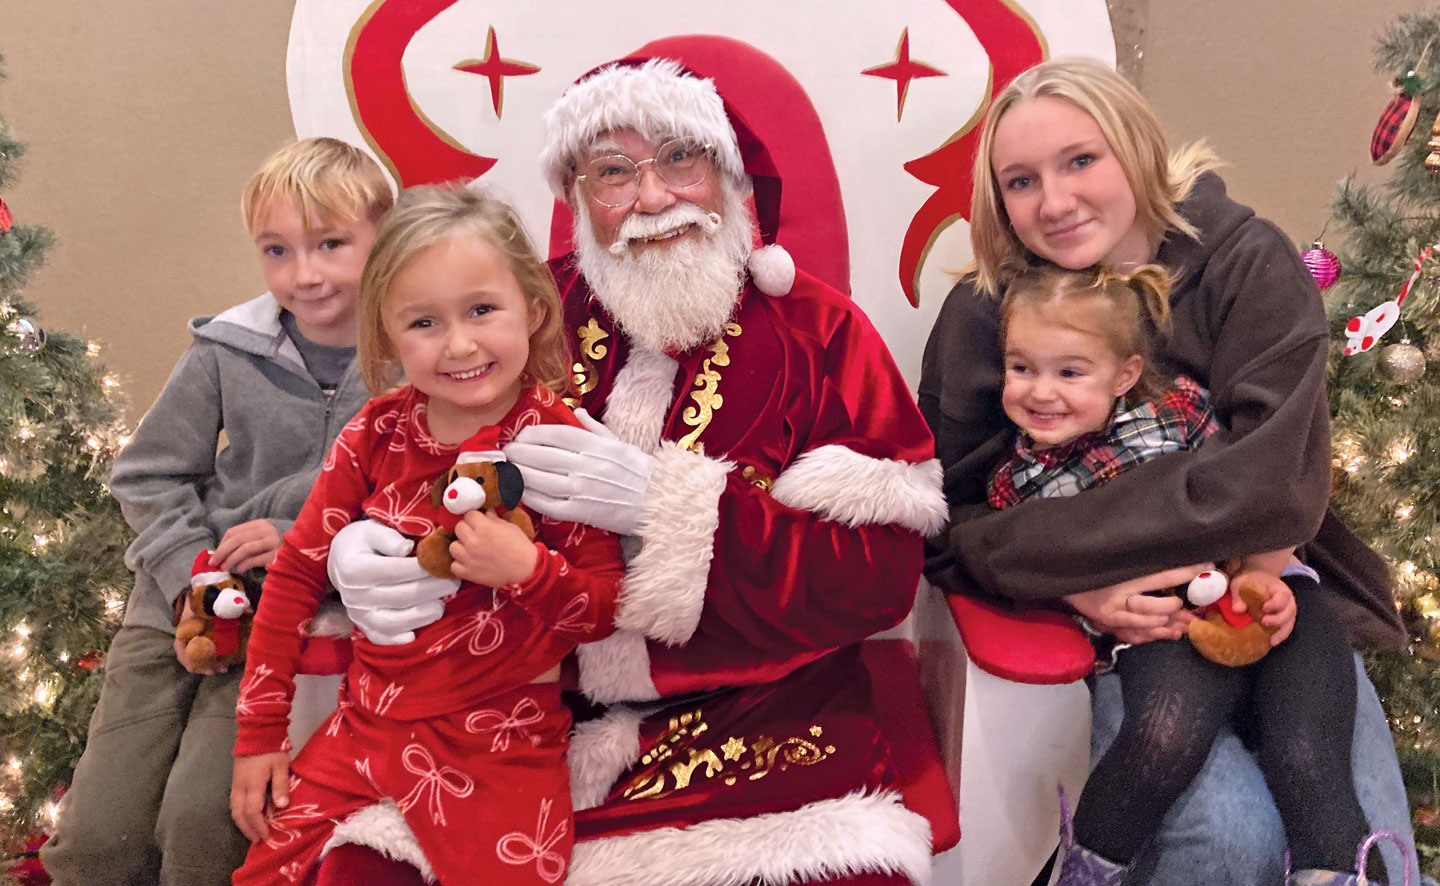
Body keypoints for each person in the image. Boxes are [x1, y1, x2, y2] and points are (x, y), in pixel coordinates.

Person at [314, 38, 950, 886]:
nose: (651, 196)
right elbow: (411, 457)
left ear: (727, 176)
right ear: (579, 197)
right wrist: (362, 551)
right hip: (513, 704)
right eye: (613, 172)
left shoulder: (821, 334)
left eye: (681, 158)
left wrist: (676, 507)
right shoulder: (523, 311)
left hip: (759, 721)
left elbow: (880, 579)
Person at [920, 56, 1418, 886]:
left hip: (1277, 592)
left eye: (1082, 160)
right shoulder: (984, 313)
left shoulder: (1246, 262)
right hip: (1131, 628)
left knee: (1360, 850)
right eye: (1020, 181)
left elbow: (1273, 485)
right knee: (1226, 840)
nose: (1055, 201)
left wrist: (1064, 541)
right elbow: (952, 519)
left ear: (1135, 150)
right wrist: (1076, 584)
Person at [227, 183, 625, 885]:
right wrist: (258, 738)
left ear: (532, 310)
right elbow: (293, 578)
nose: (460, 344)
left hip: (499, 741)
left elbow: (601, 610)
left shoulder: (555, 444)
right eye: (424, 323)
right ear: (385, 334)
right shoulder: (375, 432)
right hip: (364, 725)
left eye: (480, 310)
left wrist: (526, 571)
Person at [39, 137, 387, 886]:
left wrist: (299, 544)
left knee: (204, 826)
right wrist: (190, 575)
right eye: (277, 250)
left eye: (331, 245)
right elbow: (148, 474)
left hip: (284, 623)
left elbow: (412, 503)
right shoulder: (224, 351)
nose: (306, 274)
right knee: (98, 835)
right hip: (172, 608)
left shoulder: (406, 361)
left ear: (382, 240)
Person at [987, 262, 1381, 884]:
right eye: (1021, 367)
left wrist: (1269, 574)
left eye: (1070, 372)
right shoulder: (1021, 483)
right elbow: (1033, 566)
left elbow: (1266, 487)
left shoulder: (1180, 412)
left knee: (1311, 762)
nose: (1041, 391)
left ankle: (1337, 870)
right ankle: (1087, 867)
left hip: (1269, 594)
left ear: (1125, 375)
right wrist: (1092, 596)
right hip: (1165, 622)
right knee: (1164, 735)